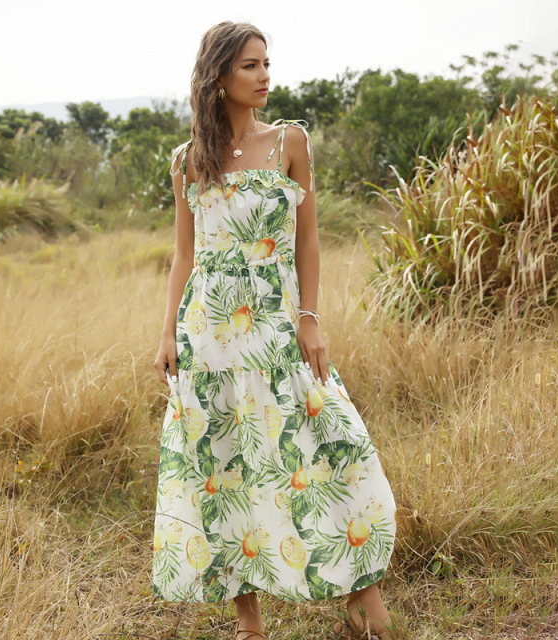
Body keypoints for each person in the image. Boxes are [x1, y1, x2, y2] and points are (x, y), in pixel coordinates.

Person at [152, 21, 398, 640]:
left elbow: (309, 237)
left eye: (267, 63)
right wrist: (165, 336)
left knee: (325, 447)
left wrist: (310, 319)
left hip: (277, 332)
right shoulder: (187, 160)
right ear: (218, 77)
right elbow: (185, 256)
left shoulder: (290, 140)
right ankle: (249, 626)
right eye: (250, 67)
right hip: (209, 338)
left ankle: (368, 609)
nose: (266, 76)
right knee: (225, 468)